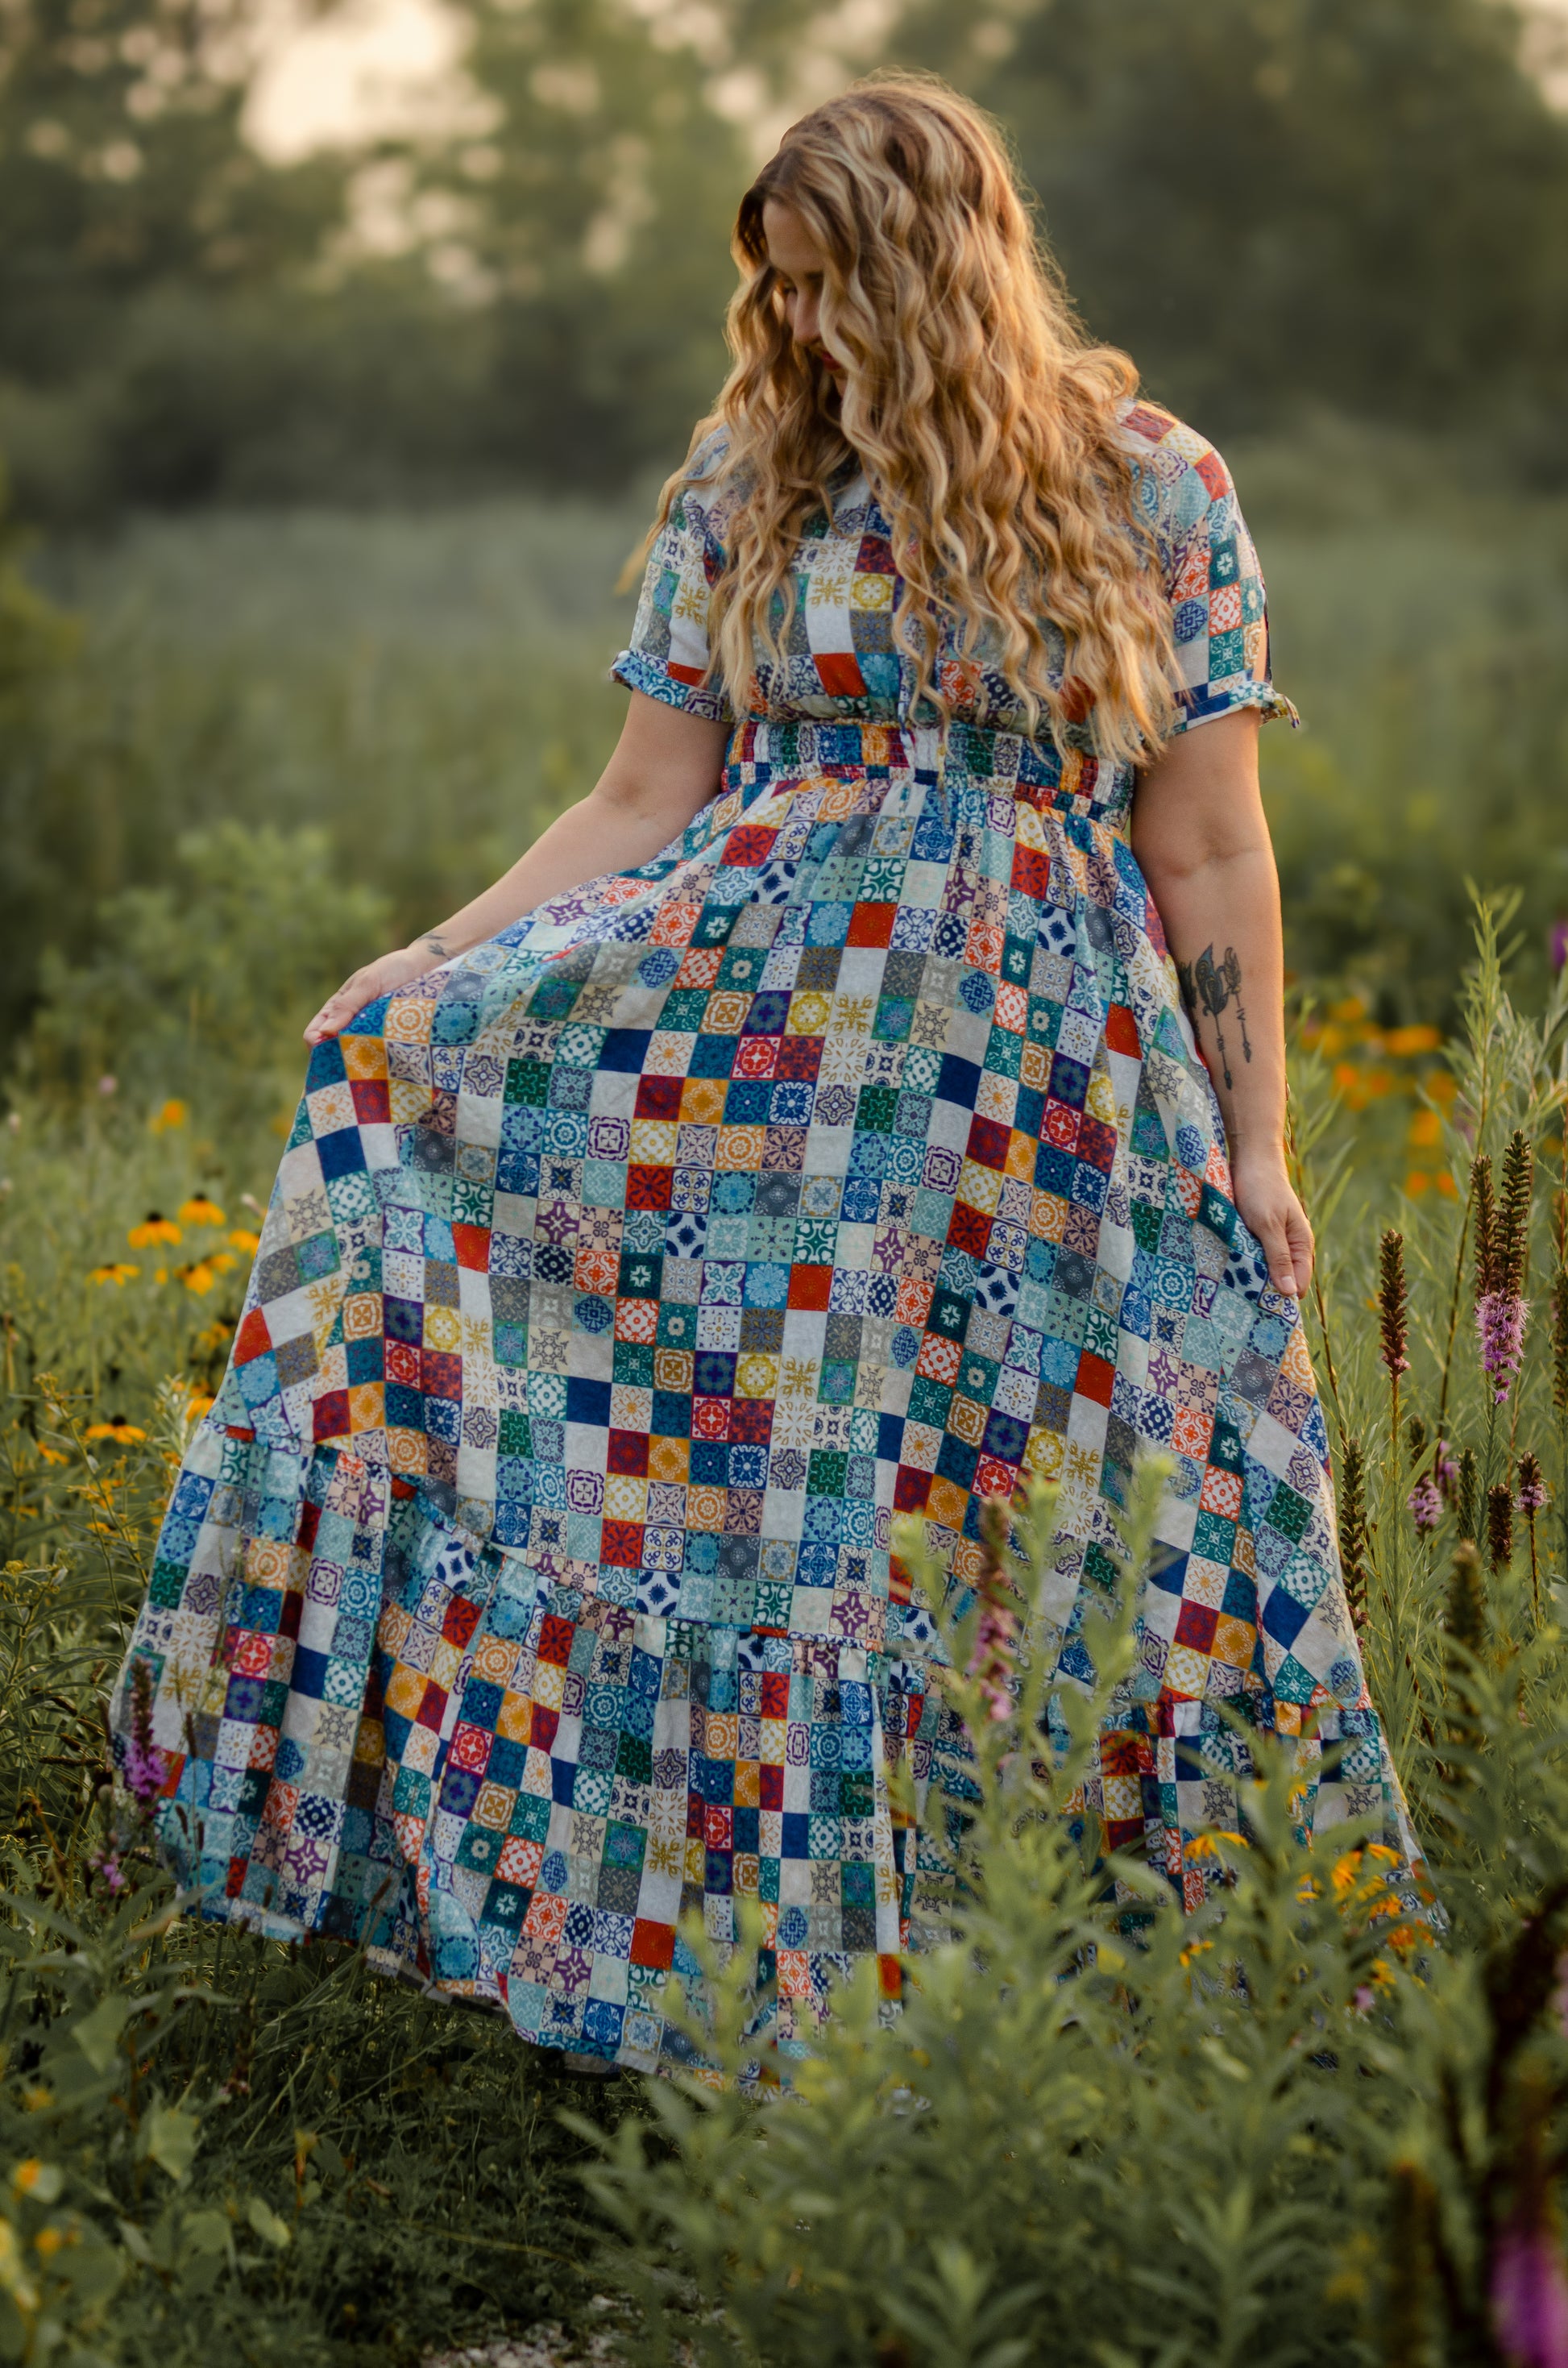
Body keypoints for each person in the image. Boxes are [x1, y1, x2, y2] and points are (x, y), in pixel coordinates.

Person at [113, 73, 1411, 2079]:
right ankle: (745, 1995)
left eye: (831, 290)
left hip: (1046, 1111)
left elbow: (1208, 841)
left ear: (935, 265)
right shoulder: (753, 482)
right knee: (780, 1520)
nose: (799, 333)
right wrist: (440, 963)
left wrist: (1255, 1139)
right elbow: (644, 790)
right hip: (763, 1108)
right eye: (777, 294)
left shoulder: (1156, 487)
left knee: (1065, 1507)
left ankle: (1107, 2022)